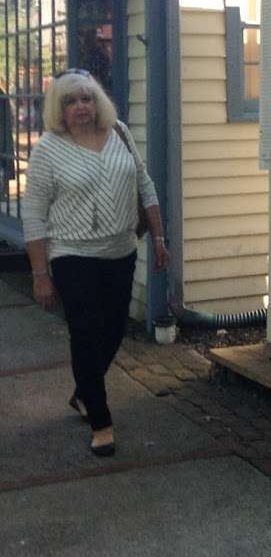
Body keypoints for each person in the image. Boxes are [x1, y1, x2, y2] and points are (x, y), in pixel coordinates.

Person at [22, 70, 168, 458]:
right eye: (71, 102)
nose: (81, 107)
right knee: (86, 333)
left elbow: (144, 183)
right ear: (60, 109)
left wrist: (159, 237)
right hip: (72, 256)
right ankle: (101, 421)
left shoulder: (119, 131)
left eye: (87, 98)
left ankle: (84, 391)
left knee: (114, 330)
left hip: (120, 251)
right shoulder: (49, 149)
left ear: (98, 101)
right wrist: (40, 275)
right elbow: (34, 214)